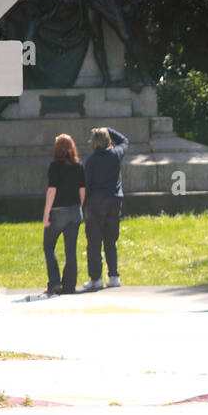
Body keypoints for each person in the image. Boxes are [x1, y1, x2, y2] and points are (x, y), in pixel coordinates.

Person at [82, 126, 128, 290]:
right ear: (108, 140)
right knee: (111, 241)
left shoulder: (91, 161)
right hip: (114, 201)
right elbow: (124, 140)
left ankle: (96, 279)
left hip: (95, 203)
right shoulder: (116, 155)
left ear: (94, 143)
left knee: (94, 242)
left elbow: (86, 185)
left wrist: (83, 206)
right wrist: (107, 128)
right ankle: (114, 276)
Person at [42, 134, 85, 295]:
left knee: (48, 247)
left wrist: (46, 213)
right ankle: (70, 286)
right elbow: (82, 191)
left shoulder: (54, 166)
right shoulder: (79, 166)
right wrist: (80, 208)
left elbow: (52, 190)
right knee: (71, 250)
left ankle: (54, 283)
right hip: (75, 211)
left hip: (58, 212)